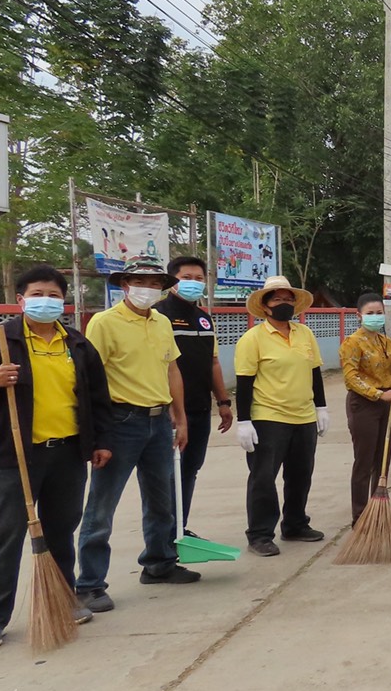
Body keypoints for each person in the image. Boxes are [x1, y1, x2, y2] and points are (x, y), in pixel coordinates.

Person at [0, 266, 113, 649]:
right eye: (38, 294)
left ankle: (63, 600)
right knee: (6, 538)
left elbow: (97, 398)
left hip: (68, 454)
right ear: (21, 300)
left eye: (54, 295)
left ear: (64, 302)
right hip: (16, 457)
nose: (46, 301)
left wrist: (101, 441)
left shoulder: (77, 344)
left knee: (60, 533)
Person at [77, 254, 198, 612]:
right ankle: (90, 584)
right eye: (140, 282)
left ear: (163, 288)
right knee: (102, 506)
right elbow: (90, 378)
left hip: (158, 421)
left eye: (154, 283)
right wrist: (97, 433)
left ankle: (159, 563)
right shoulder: (104, 323)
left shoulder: (161, 322)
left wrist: (181, 418)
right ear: (125, 285)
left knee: (162, 501)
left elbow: (172, 370)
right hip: (120, 421)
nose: (147, 288)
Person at [232, 275, 328, 556]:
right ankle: (260, 534)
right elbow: (244, 383)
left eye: (288, 299)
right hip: (268, 417)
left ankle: (295, 524)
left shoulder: (304, 334)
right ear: (265, 306)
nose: (284, 303)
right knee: (263, 478)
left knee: (300, 475)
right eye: (277, 299)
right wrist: (244, 421)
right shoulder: (253, 339)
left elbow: (315, 373)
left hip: (303, 416)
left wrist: (321, 407)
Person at [155, 256, 233, 532]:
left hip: (200, 410)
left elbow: (213, 363)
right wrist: (173, 411)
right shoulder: (158, 316)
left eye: (199, 279)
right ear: (171, 281)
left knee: (189, 471)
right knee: (167, 476)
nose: (194, 283)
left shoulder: (204, 319)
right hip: (169, 413)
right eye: (186, 278)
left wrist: (223, 402)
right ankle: (164, 537)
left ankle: (179, 529)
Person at [340, 293, 391, 525]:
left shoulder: (386, 342)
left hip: (387, 403)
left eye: (379, 313)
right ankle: (360, 515)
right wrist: (378, 394)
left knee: (383, 460)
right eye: (370, 313)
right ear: (359, 316)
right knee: (364, 461)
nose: (375, 317)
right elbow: (351, 378)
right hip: (364, 403)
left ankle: (379, 512)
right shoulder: (352, 343)